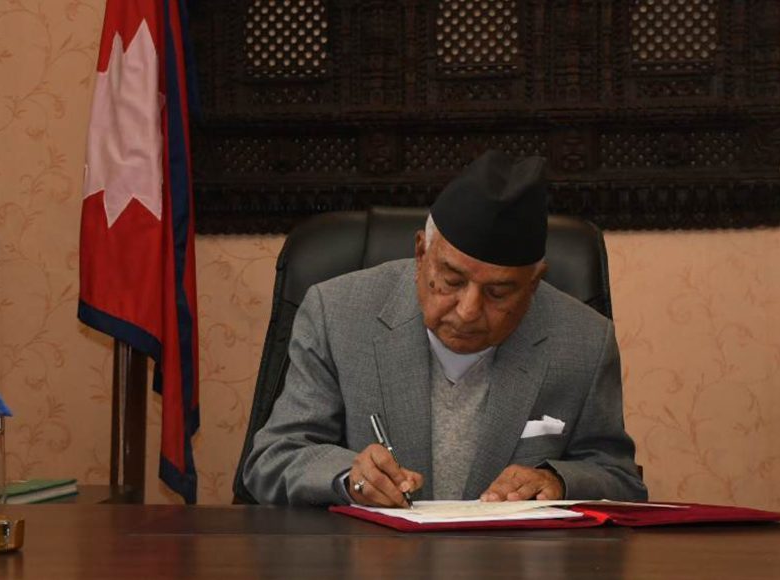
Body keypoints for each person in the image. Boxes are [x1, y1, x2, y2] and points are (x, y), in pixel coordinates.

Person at [243, 150, 647, 507]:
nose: (468, 311)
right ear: (421, 254)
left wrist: (557, 481)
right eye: (451, 281)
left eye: (499, 292)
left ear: (534, 282)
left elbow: (620, 479)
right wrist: (349, 478)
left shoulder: (584, 341)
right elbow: (273, 458)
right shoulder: (337, 314)